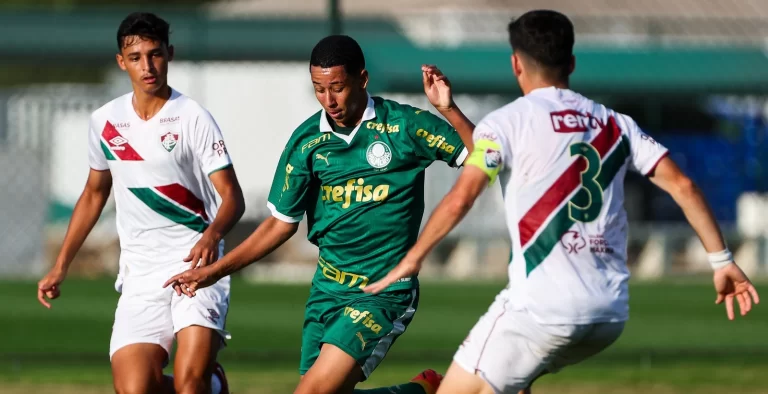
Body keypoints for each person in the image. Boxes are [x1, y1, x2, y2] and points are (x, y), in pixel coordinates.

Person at [364, 9, 761, 394]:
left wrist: (413, 258)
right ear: (571, 62)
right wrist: (721, 261)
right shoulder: (615, 123)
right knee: (513, 379)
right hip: (608, 315)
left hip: (541, 310)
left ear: (516, 64)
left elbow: (463, 196)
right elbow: (685, 186)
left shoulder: (507, 122)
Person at [163, 35, 475, 394]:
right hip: (328, 288)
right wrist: (212, 273)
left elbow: (486, 157)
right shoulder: (306, 142)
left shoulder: (404, 125)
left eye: (338, 88)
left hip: (383, 290)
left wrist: (448, 109)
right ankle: (423, 391)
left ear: (363, 79)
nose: (329, 100)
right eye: (319, 89)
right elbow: (280, 225)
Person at [36, 12, 244, 394]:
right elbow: (94, 194)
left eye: (155, 54)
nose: (147, 66)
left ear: (170, 54)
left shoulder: (192, 116)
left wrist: (212, 235)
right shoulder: (105, 121)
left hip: (196, 269)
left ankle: (206, 383)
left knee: (189, 383)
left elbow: (233, 197)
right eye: (136, 57)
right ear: (121, 61)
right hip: (141, 275)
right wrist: (60, 265)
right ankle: (215, 387)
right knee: (134, 388)